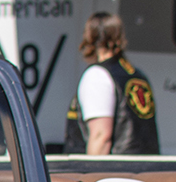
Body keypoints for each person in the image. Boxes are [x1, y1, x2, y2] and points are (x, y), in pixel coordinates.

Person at [63, 12, 159, 155]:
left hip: (113, 171)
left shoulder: (97, 75)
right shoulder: (137, 75)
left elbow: (101, 136)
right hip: (140, 170)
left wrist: (92, 174)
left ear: (89, 36)